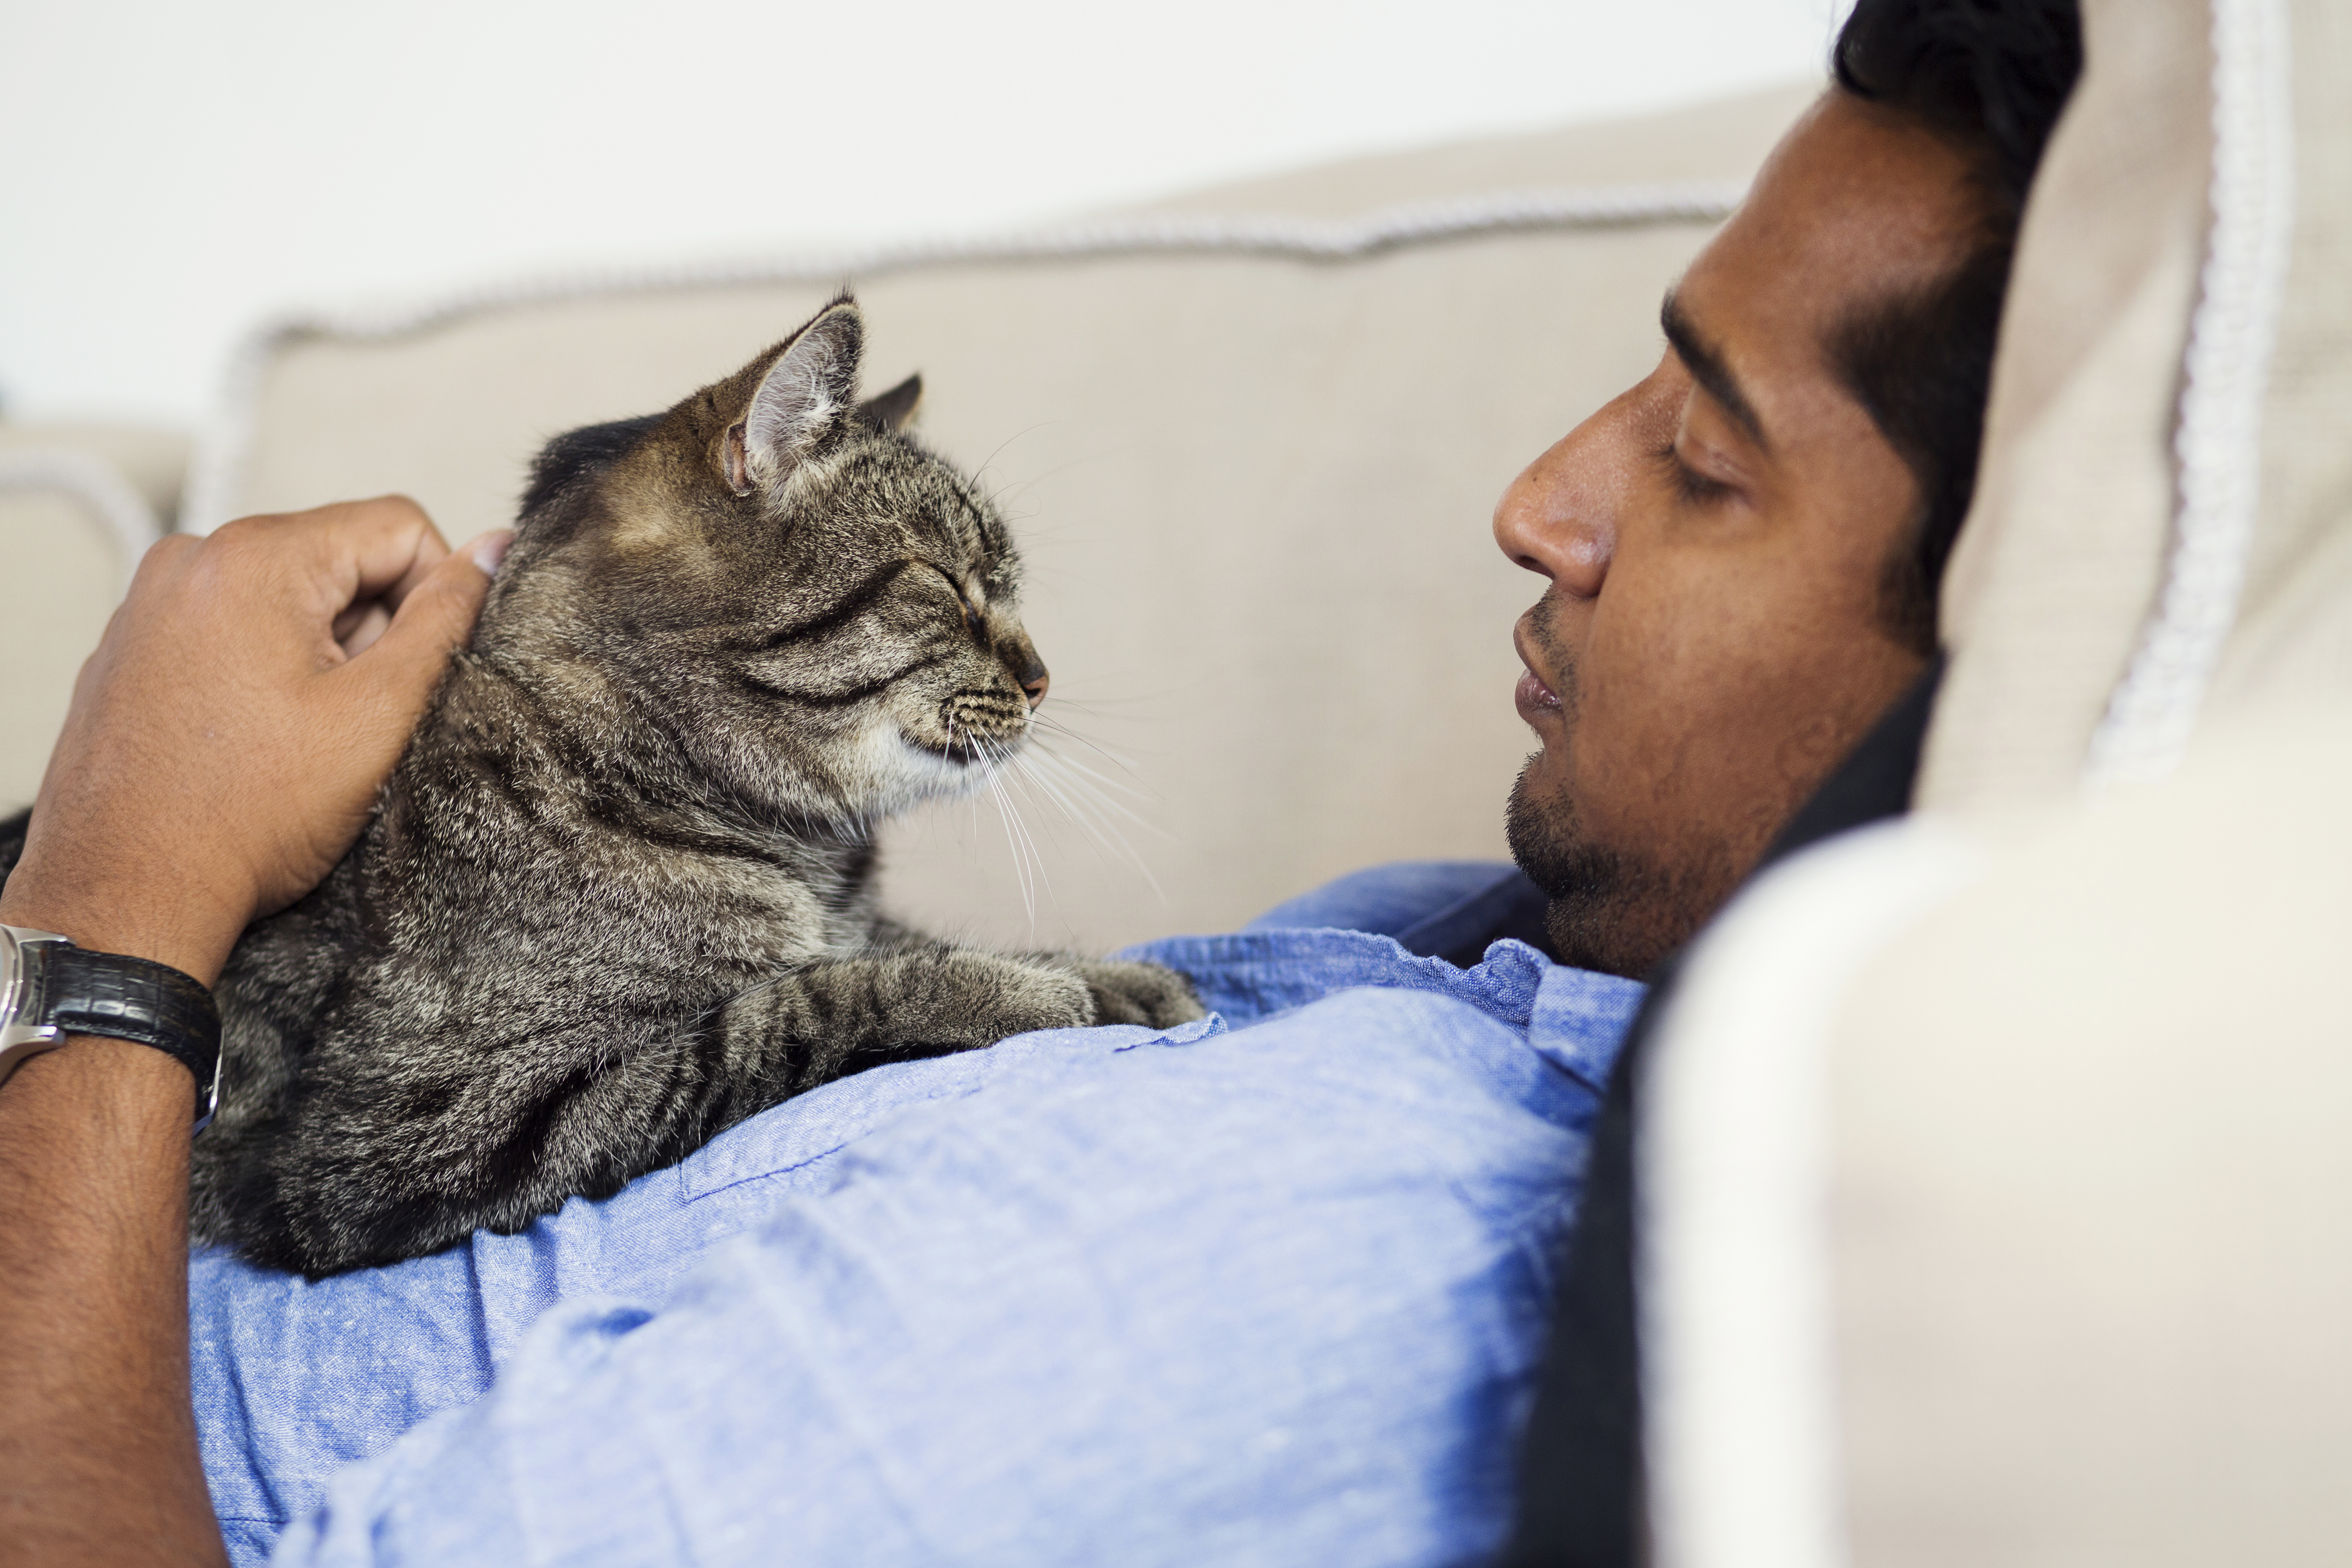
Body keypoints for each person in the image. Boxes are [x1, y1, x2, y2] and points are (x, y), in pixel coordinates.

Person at [0, 1, 2082, 1562]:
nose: (1530, 501)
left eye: (1700, 462)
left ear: (2021, 603)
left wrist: (109, 908)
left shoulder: (1355, 1232)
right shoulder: (1440, 960)